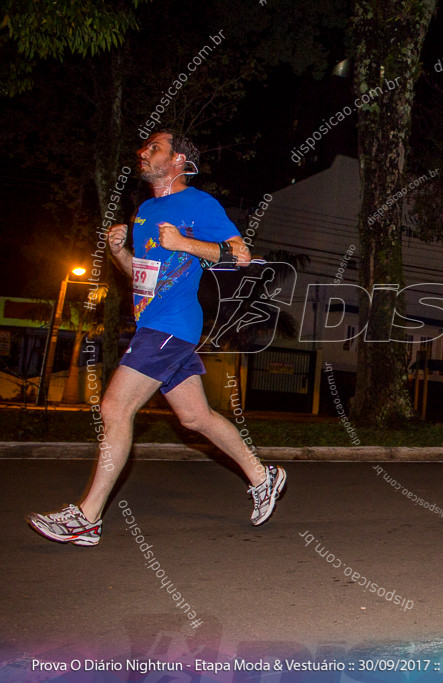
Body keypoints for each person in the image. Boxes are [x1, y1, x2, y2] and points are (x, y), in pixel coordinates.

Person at [27, 131, 286, 546]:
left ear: (179, 160)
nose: (142, 154)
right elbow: (142, 278)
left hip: (173, 324)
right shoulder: (145, 210)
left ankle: (87, 518)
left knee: (114, 407)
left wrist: (185, 242)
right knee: (195, 418)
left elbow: (241, 254)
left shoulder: (199, 203)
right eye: (144, 148)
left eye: (154, 149)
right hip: (153, 323)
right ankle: (263, 476)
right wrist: (119, 254)